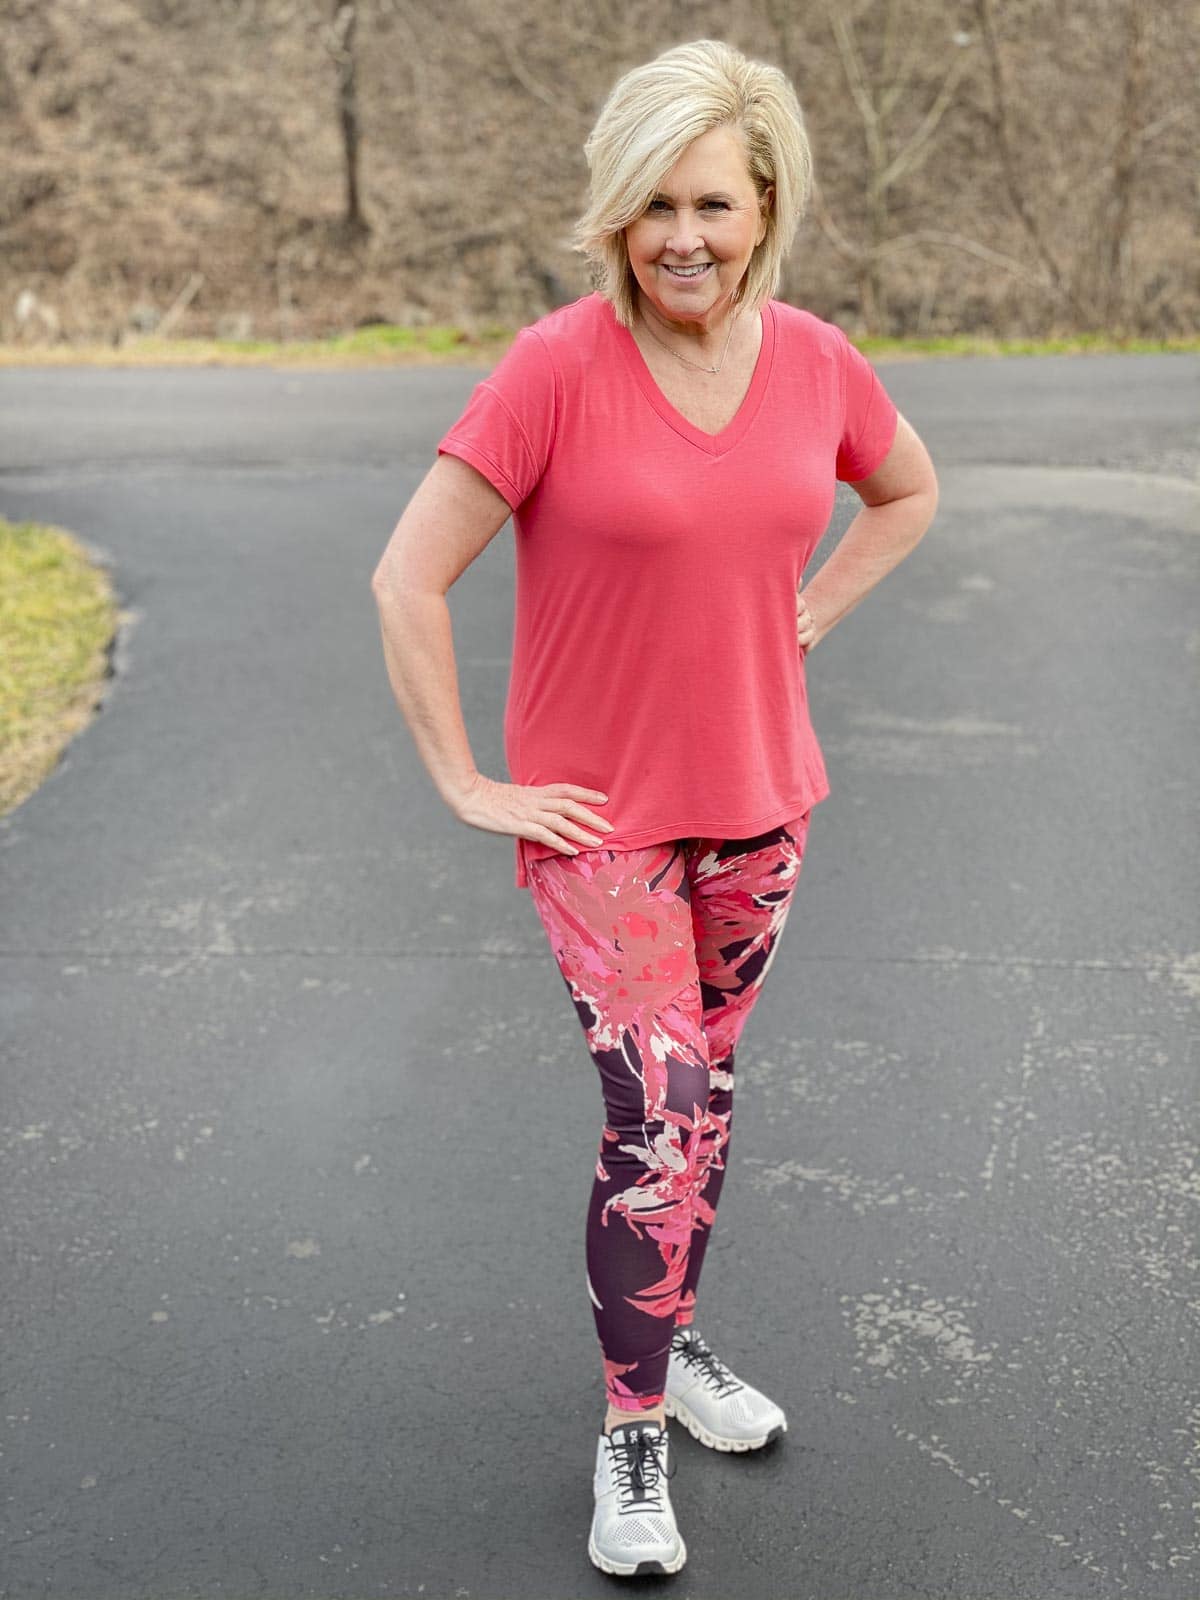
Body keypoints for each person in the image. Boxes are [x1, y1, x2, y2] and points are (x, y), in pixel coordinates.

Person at [370, 36, 938, 1580]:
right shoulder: (556, 367)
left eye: (712, 202)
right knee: (658, 1117)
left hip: (760, 805)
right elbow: (407, 576)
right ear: (614, 218)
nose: (682, 236)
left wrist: (805, 615)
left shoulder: (816, 360)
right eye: (651, 207)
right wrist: (467, 781)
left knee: (710, 1098)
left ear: (766, 206)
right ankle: (632, 1426)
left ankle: (672, 1341)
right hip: (597, 827)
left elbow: (909, 492)